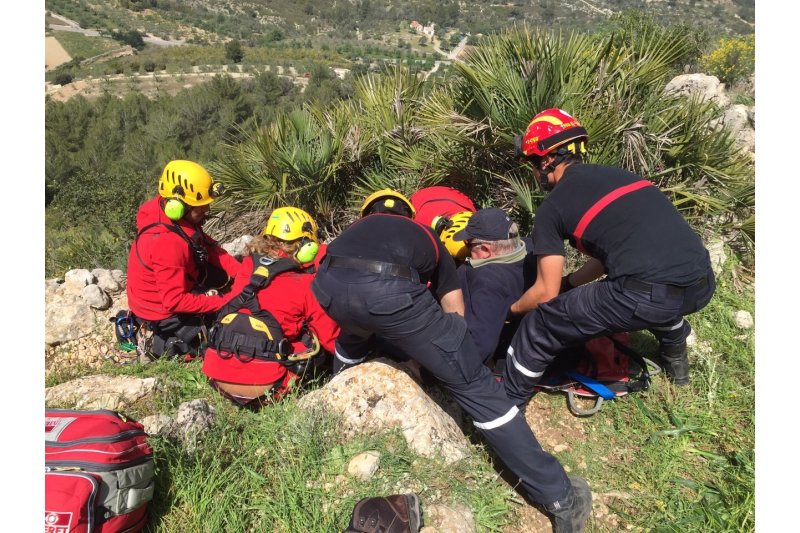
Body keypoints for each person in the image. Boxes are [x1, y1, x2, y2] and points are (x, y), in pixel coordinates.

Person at [311, 189, 592, 532]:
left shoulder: (353, 232)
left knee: (352, 337)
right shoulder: (425, 236)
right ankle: (561, 496)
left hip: (328, 287)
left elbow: (331, 270)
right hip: (390, 294)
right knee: (478, 389)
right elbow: (452, 302)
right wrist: (452, 348)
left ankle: (338, 407)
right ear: (410, 216)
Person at [504, 108, 716, 405]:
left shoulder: (552, 208)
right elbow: (612, 255)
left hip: (648, 296)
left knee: (541, 323)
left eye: (531, 163)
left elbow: (544, 294)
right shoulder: (621, 176)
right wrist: (571, 282)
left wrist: (510, 311)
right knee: (658, 293)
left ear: (547, 158)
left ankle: (507, 403)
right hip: (702, 283)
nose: (532, 171)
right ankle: (677, 365)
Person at [202, 207, 339, 408]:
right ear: (304, 246)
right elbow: (332, 340)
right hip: (267, 389)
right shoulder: (304, 285)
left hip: (218, 379)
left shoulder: (247, 267)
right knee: (313, 345)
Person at [126, 159, 241, 359]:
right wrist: (223, 301)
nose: (206, 209)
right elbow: (174, 301)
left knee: (232, 281)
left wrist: (243, 274)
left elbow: (209, 247)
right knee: (232, 325)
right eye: (201, 206)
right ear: (178, 205)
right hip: (163, 312)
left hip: (175, 285)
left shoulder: (169, 214)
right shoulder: (166, 242)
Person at [451, 207, 537, 366]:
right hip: (528, 339)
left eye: (468, 244)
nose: (466, 249)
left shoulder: (485, 280)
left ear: (485, 249)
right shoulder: (533, 250)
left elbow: (478, 348)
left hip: (504, 355)